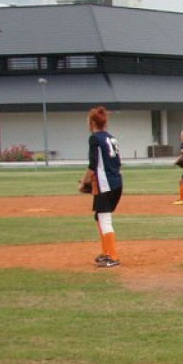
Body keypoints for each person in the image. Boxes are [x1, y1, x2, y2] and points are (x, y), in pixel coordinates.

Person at [78, 106, 123, 268]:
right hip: (117, 182)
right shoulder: (111, 138)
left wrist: (84, 182)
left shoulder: (95, 138)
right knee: (99, 216)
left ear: (92, 123)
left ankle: (113, 256)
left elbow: (93, 164)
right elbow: (117, 163)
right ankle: (106, 253)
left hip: (106, 184)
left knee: (104, 218)